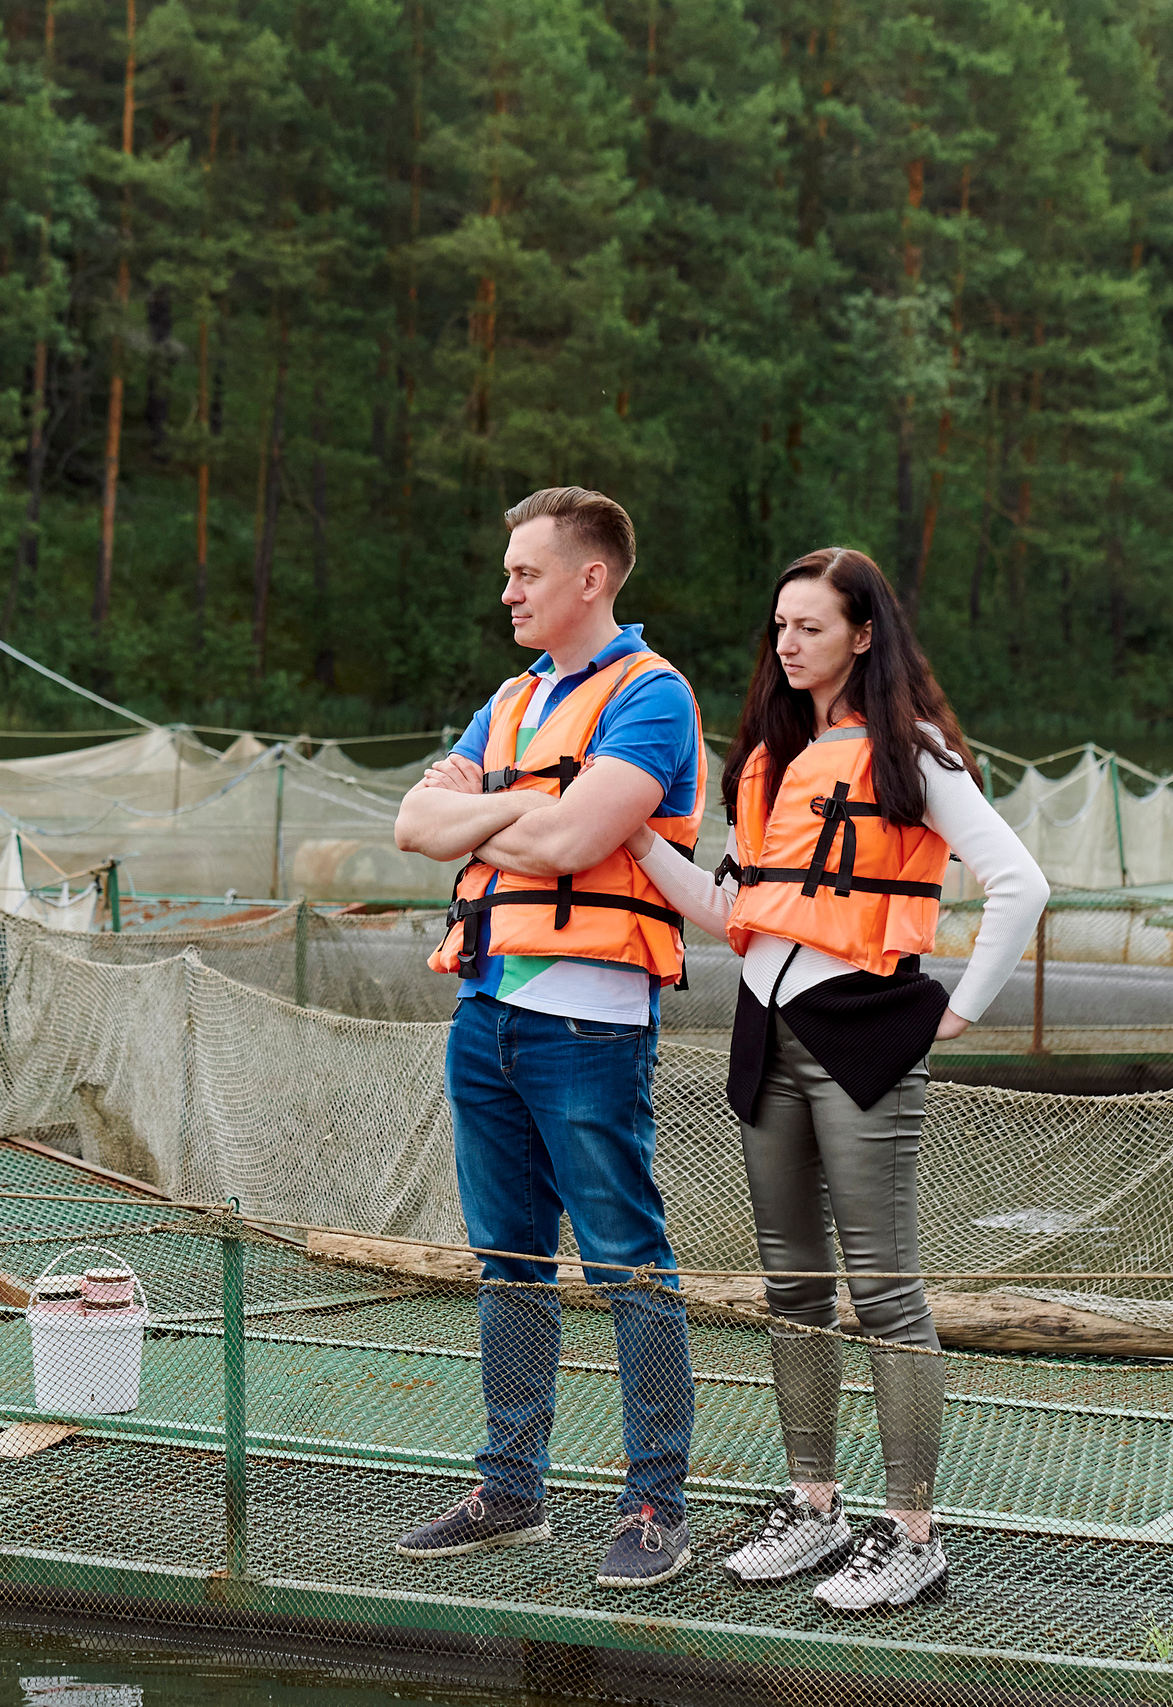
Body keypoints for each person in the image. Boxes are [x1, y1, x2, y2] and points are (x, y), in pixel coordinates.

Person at [626, 546, 1044, 1613]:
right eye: (779, 627)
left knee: (885, 1290)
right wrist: (631, 838)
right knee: (792, 1283)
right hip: (763, 1028)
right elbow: (733, 913)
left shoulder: (916, 758)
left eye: (809, 626)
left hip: (864, 1031)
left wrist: (956, 1010)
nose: (787, 644)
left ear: (863, 633)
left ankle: (913, 1535)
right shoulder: (770, 761)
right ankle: (813, 1508)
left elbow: (1019, 884)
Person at [389, 486, 707, 1591]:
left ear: (592, 578)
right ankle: (510, 1493)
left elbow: (578, 833)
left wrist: (493, 807)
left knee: (627, 1263)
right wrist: (518, 811)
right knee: (506, 1261)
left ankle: (656, 1504)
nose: (508, 589)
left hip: (589, 1020)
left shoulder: (653, 697)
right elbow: (411, 827)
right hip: (485, 1014)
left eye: (527, 572)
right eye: (509, 571)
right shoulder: (513, 698)